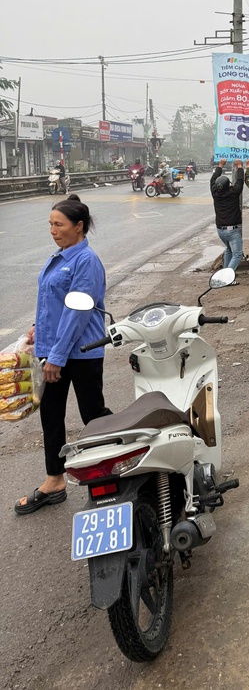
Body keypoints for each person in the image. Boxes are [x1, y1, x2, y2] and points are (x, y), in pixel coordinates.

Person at [15, 195, 112, 514]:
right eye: (50, 224)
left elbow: (77, 313)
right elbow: (53, 303)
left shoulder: (86, 261)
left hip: (80, 352)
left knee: (92, 413)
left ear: (79, 226)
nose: (53, 230)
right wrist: (35, 329)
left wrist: (56, 357)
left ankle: (114, 467)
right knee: (51, 415)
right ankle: (54, 480)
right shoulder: (60, 256)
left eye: (59, 224)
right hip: (54, 347)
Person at [210, 158, 246, 271]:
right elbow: (240, 180)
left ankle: (224, 273)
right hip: (233, 230)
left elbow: (213, 179)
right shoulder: (233, 193)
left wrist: (220, 165)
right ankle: (227, 277)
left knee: (228, 250)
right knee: (237, 254)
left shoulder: (215, 193)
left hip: (220, 229)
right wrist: (240, 166)